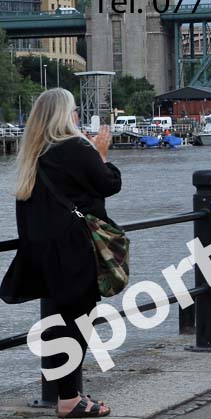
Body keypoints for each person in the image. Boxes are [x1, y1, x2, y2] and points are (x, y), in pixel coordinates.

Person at [0, 88, 120, 418]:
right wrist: (101, 155)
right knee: (80, 320)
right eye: (75, 109)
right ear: (65, 115)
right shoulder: (76, 148)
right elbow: (109, 184)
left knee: (56, 321)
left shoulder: (33, 153)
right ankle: (68, 399)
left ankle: (67, 394)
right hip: (73, 250)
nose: (78, 115)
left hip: (40, 251)